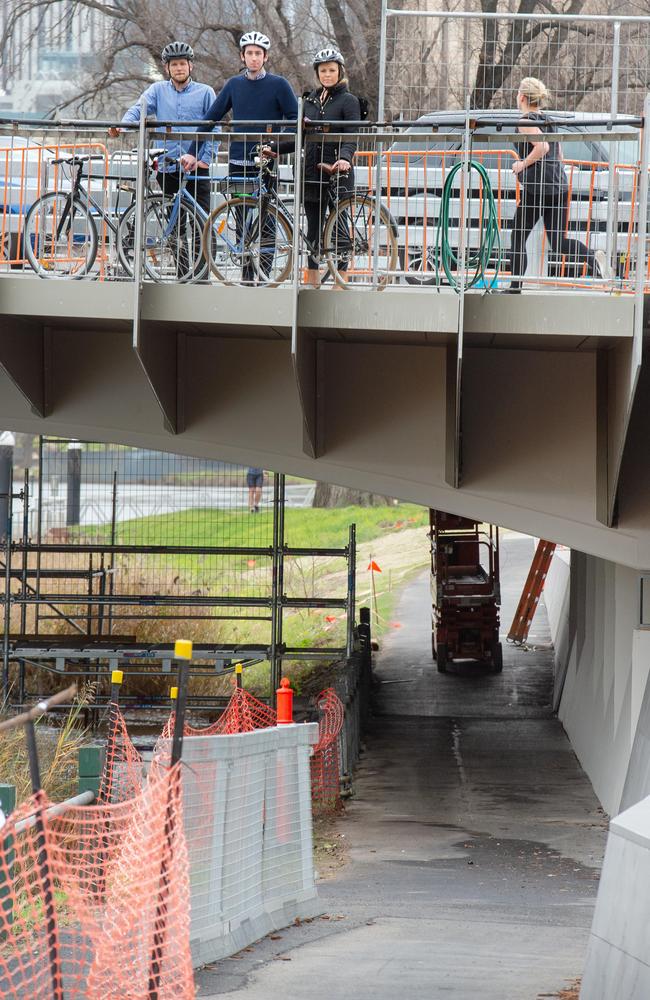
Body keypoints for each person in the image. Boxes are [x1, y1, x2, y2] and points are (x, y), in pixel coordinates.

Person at [181, 31, 298, 283]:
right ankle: (246, 277)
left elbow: (294, 118)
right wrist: (192, 151)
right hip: (237, 162)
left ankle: (264, 276)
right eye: (249, 54)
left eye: (258, 53)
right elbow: (210, 119)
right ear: (242, 56)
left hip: (265, 162)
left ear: (265, 56)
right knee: (241, 219)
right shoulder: (234, 85)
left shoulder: (279, 84)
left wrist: (276, 144)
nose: (254, 58)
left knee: (266, 218)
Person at [266, 47, 361, 288]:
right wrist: (276, 148)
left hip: (338, 170)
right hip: (311, 172)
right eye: (323, 71)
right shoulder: (309, 101)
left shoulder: (348, 101)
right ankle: (312, 277)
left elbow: (352, 135)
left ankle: (341, 278)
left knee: (339, 227)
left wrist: (346, 158)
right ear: (317, 73)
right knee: (314, 228)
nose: (327, 74)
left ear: (340, 72)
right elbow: (299, 136)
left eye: (331, 70)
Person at [507, 76, 611, 293]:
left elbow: (543, 147)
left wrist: (521, 165)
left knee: (517, 236)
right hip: (559, 188)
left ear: (523, 97)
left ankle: (514, 287)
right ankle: (592, 257)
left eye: (518, 92)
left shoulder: (526, 121)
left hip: (537, 189)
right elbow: (559, 153)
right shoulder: (548, 120)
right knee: (558, 242)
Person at [110, 42, 218, 217]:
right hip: (167, 166)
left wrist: (205, 160)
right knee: (174, 220)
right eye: (174, 64)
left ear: (191, 65)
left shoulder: (206, 92)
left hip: (196, 165)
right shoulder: (157, 90)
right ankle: (176, 244)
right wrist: (123, 126)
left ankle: (204, 246)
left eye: (183, 63)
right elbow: (139, 108)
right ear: (167, 68)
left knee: (202, 219)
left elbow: (215, 126)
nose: (179, 68)